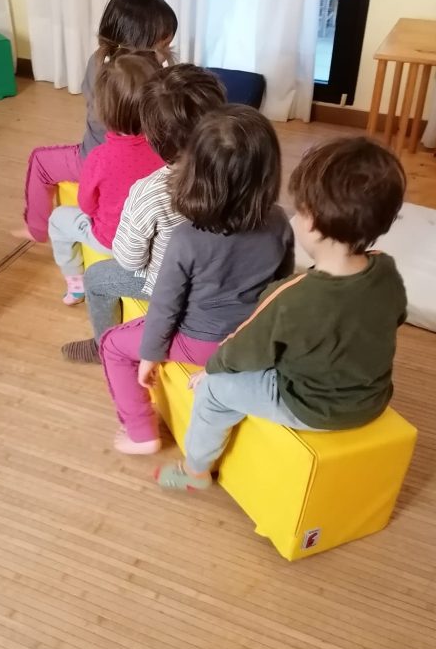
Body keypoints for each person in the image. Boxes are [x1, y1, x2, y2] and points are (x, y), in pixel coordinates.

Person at [155, 135, 408, 490]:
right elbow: (393, 318)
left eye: (300, 210)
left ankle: (196, 471)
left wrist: (212, 370)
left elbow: (243, 350)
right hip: (372, 399)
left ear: (313, 223)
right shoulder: (386, 270)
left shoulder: (291, 295)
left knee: (213, 391)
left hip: (307, 405)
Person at [99, 105, 294, 454]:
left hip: (198, 343)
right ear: (268, 173)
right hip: (252, 339)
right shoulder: (279, 221)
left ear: (195, 173)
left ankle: (141, 432)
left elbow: (165, 304)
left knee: (113, 344)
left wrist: (150, 355)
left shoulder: (187, 238)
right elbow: (282, 287)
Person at [61, 64, 227, 363]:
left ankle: (102, 345)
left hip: (172, 284)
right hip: (224, 274)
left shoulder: (149, 191)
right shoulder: (237, 169)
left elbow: (130, 258)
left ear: (152, 134)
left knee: (96, 279)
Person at [15, 0, 177, 242]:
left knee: (40, 161)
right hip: (151, 162)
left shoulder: (98, 63)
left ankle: (36, 228)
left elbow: (94, 112)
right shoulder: (157, 73)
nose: (165, 53)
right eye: (163, 47)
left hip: (98, 159)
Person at [47, 50, 164, 304]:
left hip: (110, 240)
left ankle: (75, 282)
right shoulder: (166, 150)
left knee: (57, 219)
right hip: (155, 241)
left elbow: (87, 206)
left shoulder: (99, 157)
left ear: (103, 111)